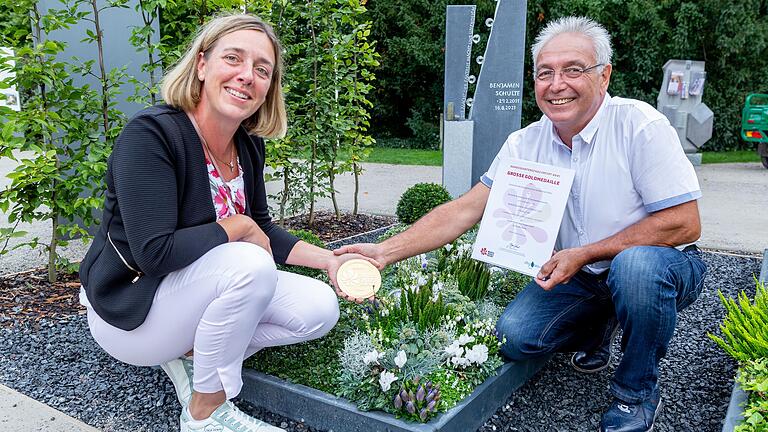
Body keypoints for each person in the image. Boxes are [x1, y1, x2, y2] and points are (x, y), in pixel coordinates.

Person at [335, 16, 706, 432]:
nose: (556, 83)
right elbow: (464, 210)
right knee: (514, 337)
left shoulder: (641, 126)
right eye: (545, 72)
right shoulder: (524, 143)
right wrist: (384, 252)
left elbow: (684, 223)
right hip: (581, 276)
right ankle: (601, 324)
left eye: (573, 70)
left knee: (635, 270)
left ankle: (635, 393)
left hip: (662, 266)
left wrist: (584, 253)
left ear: (604, 77)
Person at [79, 14, 367, 432]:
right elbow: (154, 253)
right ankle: (206, 413)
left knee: (318, 309)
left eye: (262, 69)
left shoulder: (247, 146)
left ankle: (195, 355)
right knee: (249, 266)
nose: (247, 76)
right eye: (233, 58)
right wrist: (238, 226)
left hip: (193, 295)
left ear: (269, 87)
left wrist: (329, 261)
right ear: (201, 65)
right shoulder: (153, 135)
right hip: (129, 313)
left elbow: (262, 227)